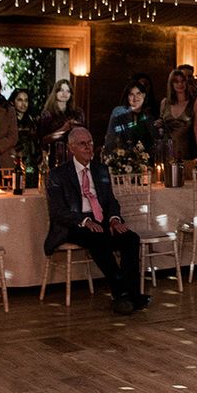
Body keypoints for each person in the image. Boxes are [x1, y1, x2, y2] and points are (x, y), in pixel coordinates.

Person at [44, 127, 147, 315]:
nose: (88, 147)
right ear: (71, 148)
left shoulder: (101, 170)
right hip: (75, 224)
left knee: (130, 239)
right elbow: (58, 211)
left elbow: (110, 201)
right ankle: (121, 292)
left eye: (90, 143)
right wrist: (84, 221)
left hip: (102, 220)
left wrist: (115, 219)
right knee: (97, 239)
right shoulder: (57, 175)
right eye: (83, 144)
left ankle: (132, 293)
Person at [37, 78, 85, 167]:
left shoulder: (77, 113)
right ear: (55, 93)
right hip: (53, 156)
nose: (64, 94)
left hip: (73, 156)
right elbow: (43, 140)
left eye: (67, 91)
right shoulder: (47, 114)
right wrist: (63, 129)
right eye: (61, 90)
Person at [159, 68, 197, 161]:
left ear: (186, 82)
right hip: (167, 152)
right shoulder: (164, 102)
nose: (180, 84)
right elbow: (161, 127)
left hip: (188, 152)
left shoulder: (195, 103)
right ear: (171, 84)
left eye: (182, 81)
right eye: (176, 82)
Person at [103, 79, 155, 154]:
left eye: (138, 94)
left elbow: (153, 142)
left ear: (144, 95)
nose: (135, 98)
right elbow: (110, 140)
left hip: (145, 159)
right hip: (121, 158)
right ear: (127, 96)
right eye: (131, 95)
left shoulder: (148, 117)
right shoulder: (119, 113)